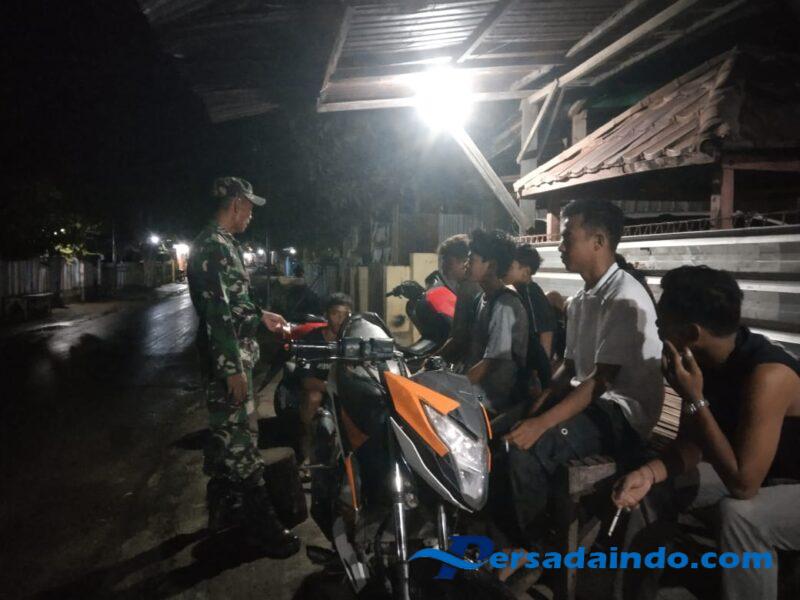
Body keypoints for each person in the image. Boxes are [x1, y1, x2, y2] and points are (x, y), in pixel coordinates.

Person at [612, 266, 800, 600]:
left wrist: (695, 399)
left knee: (741, 516)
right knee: (653, 490)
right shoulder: (704, 362)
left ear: (691, 333)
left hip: (783, 483)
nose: (658, 331)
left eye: (662, 324)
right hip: (761, 474)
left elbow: (743, 485)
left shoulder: (769, 374)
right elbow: (691, 446)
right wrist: (648, 474)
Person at [503, 199, 663, 542]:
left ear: (598, 242)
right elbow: (571, 367)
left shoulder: (625, 297)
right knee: (505, 428)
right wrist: (540, 403)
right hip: (590, 402)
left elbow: (600, 381)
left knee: (526, 448)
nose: (560, 247)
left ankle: (535, 547)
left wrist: (542, 423)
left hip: (623, 417)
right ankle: (512, 530)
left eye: (567, 238)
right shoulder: (581, 300)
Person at [187, 176, 300, 558]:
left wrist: (260, 316)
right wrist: (231, 369)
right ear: (236, 204)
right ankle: (263, 530)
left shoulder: (223, 244)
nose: (251, 214)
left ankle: (224, 512)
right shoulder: (213, 247)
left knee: (228, 439)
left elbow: (234, 305)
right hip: (229, 361)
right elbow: (217, 315)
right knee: (241, 443)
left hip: (236, 355)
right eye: (249, 206)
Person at [463, 229, 529, 413]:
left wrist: (456, 386)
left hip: (494, 400)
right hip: (479, 392)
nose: (466, 264)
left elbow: (491, 362)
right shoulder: (483, 299)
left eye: (471, 259)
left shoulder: (505, 304)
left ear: (491, 266)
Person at [297, 292, 353, 460]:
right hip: (321, 387)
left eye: (345, 315)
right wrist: (334, 387)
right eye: (335, 314)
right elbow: (307, 381)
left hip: (342, 388)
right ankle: (307, 439)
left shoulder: (352, 340)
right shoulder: (312, 339)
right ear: (326, 315)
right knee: (313, 398)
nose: (340, 319)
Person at [504, 243, 557, 393]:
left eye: (510, 266)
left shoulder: (531, 293)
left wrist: (539, 372)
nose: (505, 269)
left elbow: (545, 332)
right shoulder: (519, 291)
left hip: (535, 370)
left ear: (525, 272)